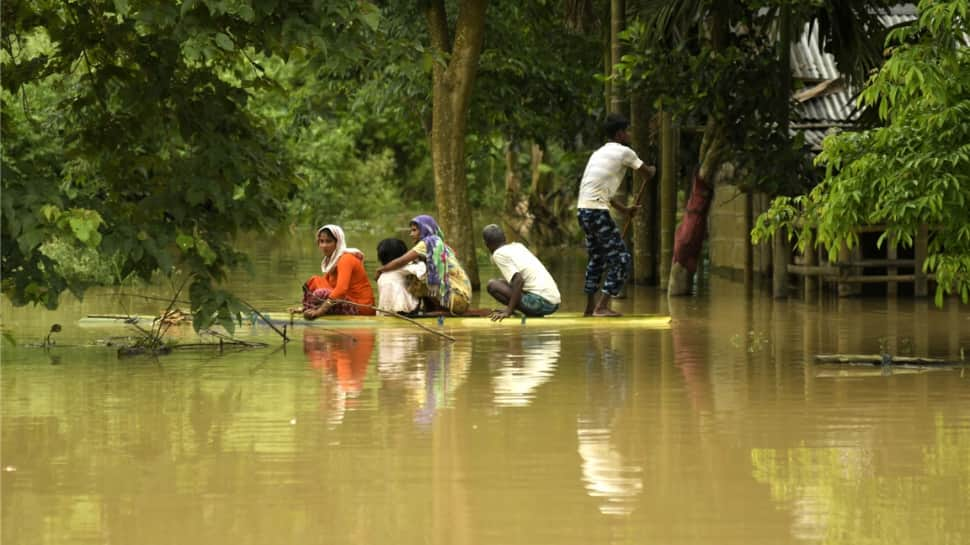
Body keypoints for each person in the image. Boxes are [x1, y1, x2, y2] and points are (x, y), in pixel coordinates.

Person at [577, 113, 656, 317]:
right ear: (620, 133)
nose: (629, 134)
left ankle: (589, 307)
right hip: (596, 211)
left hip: (583, 210)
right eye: (627, 131)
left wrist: (625, 210)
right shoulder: (624, 152)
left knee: (596, 258)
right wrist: (652, 170)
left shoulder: (598, 153)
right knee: (622, 259)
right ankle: (602, 307)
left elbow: (602, 191)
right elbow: (646, 173)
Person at [374, 215, 472, 315]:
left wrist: (381, 269)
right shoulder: (438, 244)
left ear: (425, 229)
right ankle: (431, 309)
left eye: (414, 230)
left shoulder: (428, 242)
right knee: (422, 272)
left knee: (416, 278)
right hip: (462, 300)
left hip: (456, 300)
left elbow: (401, 261)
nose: (411, 234)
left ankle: (441, 311)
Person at [482, 224, 561, 321]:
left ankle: (518, 311)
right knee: (500, 282)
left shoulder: (498, 254)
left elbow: (519, 281)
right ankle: (521, 310)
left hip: (543, 303)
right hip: (553, 302)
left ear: (486, 244)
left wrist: (508, 311)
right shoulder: (518, 246)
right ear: (505, 238)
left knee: (492, 285)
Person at [301, 224, 376, 319]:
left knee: (321, 293)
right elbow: (325, 284)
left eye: (329, 241)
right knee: (314, 281)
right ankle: (307, 309)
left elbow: (341, 290)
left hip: (361, 307)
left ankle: (312, 311)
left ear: (338, 243)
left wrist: (320, 311)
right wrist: (303, 308)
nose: (324, 246)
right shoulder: (332, 261)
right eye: (321, 241)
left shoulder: (345, 259)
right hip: (346, 300)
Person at [375, 238, 427, 316]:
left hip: (384, 311)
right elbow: (422, 272)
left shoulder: (382, 274)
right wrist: (419, 261)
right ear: (403, 256)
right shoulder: (403, 268)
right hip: (403, 310)